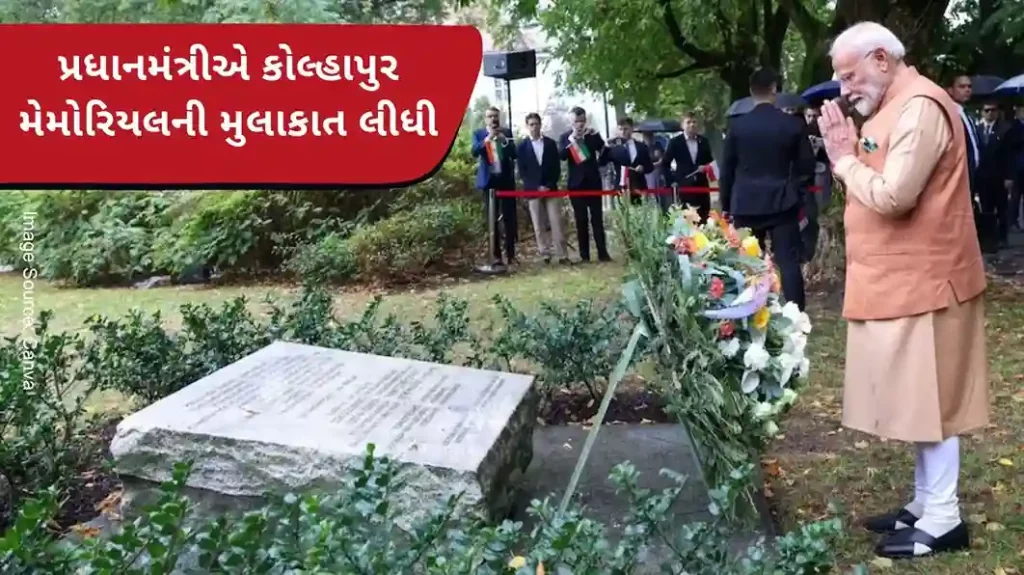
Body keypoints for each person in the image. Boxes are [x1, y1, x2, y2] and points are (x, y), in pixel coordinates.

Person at [818, 21, 989, 560]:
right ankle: (924, 503)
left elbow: (894, 195)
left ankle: (944, 519)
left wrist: (843, 160)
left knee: (934, 401)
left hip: (931, 282)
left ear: (882, 60)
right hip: (903, 281)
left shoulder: (921, 107)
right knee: (920, 401)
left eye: (850, 75)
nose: (845, 88)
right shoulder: (893, 105)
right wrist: (849, 149)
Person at [719, 68, 814, 311]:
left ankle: (749, 313)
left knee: (747, 263)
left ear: (751, 92)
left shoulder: (737, 127)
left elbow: (727, 170)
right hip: (783, 201)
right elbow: (806, 167)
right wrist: (797, 192)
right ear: (774, 89)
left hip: (746, 203)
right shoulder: (793, 124)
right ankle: (796, 315)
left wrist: (727, 206)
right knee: (788, 262)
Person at [559, 106, 611, 262]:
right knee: (581, 220)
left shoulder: (592, 135)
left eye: (582, 121)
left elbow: (604, 153)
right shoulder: (565, 137)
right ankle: (584, 255)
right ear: (571, 121)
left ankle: (603, 253)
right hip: (576, 185)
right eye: (576, 121)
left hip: (593, 182)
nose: (580, 124)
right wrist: (573, 139)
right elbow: (562, 156)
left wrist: (600, 142)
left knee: (597, 220)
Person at [517, 112, 569, 265]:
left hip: (550, 188)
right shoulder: (522, 147)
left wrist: (547, 185)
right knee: (538, 225)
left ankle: (562, 254)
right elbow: (522, 171)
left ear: (540, 125)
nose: (534, 127)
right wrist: (535, 187)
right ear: (527, 126)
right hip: (532, 191)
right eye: (531, 124)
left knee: (556, 222)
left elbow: (556, 168)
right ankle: (544, 253)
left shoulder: (550, 144)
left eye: (536, 124)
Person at [471, 106, 518, 269]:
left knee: (509, 218)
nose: (493, 119)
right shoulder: (479, 134)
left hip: (505, 181)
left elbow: (514, 153)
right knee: (492, 220)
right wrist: (487, 139)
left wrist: (504, 139)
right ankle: (496, 256)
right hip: (489, 183)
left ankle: (511, 255)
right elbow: (474, 151)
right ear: (486, 119)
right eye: (490, 117)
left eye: (496, 116)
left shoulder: (506, 132)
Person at [662, 112, 715, 220]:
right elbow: (665, 163)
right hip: (684, 186)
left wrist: (705, 167)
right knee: (685, 219)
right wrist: (672, 181)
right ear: (682, 125)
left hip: (702, 186)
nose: (692, 125)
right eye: (688, 122)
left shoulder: (704, 141)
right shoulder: (675, 142)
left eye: (694, 122)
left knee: (703, 218)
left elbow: (709, 162)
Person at [976, 102, 1014, 249]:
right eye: (987, 110)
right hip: (982, 176)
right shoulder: (978, 129)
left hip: (999, 175)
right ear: (982, 112)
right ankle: (988, 237)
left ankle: (1003, 237)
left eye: (993, 110)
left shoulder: (1005, 129)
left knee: (1002, 207)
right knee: (986, 208)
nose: (990, 113)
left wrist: (1009, 176)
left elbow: (1009, 155)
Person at [606, 117, 654, 205]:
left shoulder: (641, 146)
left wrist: (643, 168)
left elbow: (650, 167)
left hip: (639, 187)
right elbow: (602, 162)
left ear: (632, 129)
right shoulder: (612, 148)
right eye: (620, 129)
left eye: (626, 129)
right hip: (621, 188)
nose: (623, 132)